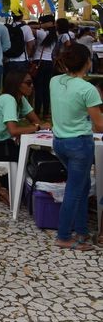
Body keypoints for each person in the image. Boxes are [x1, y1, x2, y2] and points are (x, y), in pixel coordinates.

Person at [51, 44, 103, 251]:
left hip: (60, 141)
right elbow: (98, 124)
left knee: (80, 186)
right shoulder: (88, 89)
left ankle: (81, 230)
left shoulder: (55, 81)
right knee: (74, 189)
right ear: (87, 62)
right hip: (80, 144)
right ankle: (64, 235)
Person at [0, 70, 50, 204]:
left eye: (32, 82)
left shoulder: (20, 99)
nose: (32, 86)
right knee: (32, 158)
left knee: (35, 156)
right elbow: (13, 130)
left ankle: (6, 184)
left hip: (0, 143)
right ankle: (2, 182)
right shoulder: (9, 99)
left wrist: (37, 126)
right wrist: (36, 128)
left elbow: (36, 121)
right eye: (28, 83)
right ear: (17, 84)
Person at [32, 15, 56, 118]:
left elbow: (28, 28)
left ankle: (37, 111)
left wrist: (40, 25)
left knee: (38, 88)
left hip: (39, 61)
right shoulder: (55, 35)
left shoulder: (41, 33)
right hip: (49, 62)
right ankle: (46, 112)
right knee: (46, 88)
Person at [4, 10, 35, 76]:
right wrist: (28, 56)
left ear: (12, 16)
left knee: (9, 83)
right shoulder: (26, 28)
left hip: (8, 60)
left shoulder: (7, 28)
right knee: (21, 83)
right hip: (22, 60)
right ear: (22, 16)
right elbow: (31, 45)